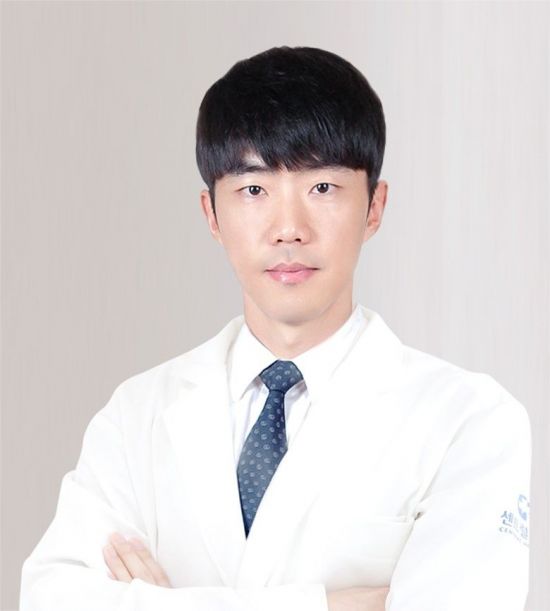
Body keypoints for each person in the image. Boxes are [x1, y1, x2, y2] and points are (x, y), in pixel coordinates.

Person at [20, 45, 531, 611]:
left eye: (322, 188)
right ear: (212, 215)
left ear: (374, 207)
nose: (289, 229)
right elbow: (50, 598)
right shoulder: (136, 415)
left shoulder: (469, 422)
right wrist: (327, 605)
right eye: (254, 190)